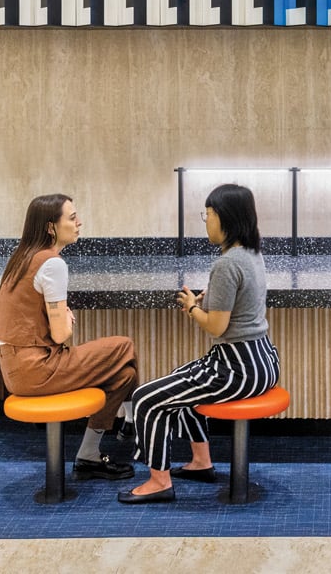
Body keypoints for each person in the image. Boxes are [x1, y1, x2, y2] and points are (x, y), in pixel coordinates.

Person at [118, 183, 280, 504]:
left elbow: (217, 327)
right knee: (181, 380)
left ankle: (158, 482)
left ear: (224, 218)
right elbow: (238, 306)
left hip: (235, 368)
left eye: (207, 214)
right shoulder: (251, 254)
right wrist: (209, 300)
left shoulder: (227, 263)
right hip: (263, 362)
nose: (205, 221)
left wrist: (192, 307)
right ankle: (201, 462)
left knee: (146, 398)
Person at [0, 193, 139, 479]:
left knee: (125, 377)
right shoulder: (52, 264)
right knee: (125, 346)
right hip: (37, 370)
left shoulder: (22, 257)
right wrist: (68, 319)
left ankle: (89, 455)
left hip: (17, 369)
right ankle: (132, 423)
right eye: (72, 218)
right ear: (51, 227)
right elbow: (61, 335)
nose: (79, 222)